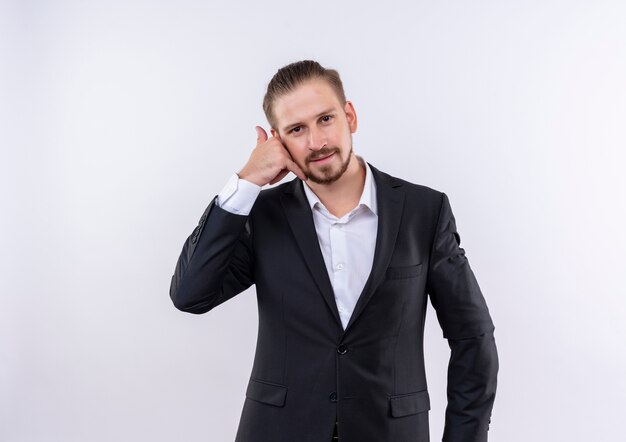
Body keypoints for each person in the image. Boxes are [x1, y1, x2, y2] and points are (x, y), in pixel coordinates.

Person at [170, 60, 498, 442]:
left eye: (325, 119)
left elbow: (473, 338)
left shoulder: (424, 212)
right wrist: (246, 182)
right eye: (297, 129)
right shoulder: (262, 217)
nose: (317, 141)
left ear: (350, 116)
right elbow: (189, 295)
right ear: (278, 140)